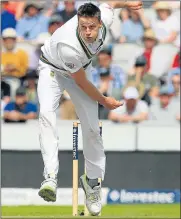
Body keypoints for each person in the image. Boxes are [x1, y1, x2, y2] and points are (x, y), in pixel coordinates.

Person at [37, 1, 142, 216]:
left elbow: (111, 3)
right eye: (83, 26)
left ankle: (92, 184)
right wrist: (105, 100)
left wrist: (128, 4)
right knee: (46, 114)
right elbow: (83, 83)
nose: (87, 31)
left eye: (91, 27)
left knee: (93, 128)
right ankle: (50, 178)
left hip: (81, 70)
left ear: (100, 23)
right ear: (77, 22)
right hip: (53, 70)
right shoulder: (68, 44)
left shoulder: (105, 17)